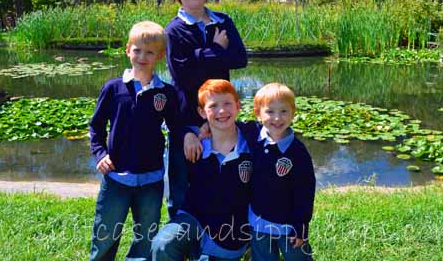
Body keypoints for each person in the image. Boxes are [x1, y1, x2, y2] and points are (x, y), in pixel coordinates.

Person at [88, 21, 179, 261]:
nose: (142, 56)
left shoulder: (166, 93)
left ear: (160, 56)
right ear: (128, 50)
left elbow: (176, 126)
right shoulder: (113, 88)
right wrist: (100, 154)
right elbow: (96, 126)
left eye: (150, 52)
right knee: (105, 232)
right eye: (137, 50)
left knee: (146, 235)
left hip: (151, 178)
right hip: (117, 176)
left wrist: (195, 133)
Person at [164, 0, 248, 218]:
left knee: (221, 181)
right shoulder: (173, 31)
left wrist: (201, 57)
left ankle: (222, 239)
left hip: (219, 116)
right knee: (182, 183)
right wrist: (215, 49)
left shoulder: (223, 21)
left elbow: (240, 59)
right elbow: (184, 76)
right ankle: (180, 241)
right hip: (186, 119)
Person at [151, 79, 252, 261]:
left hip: (233, 228)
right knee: (163, 244)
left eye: (227, 104)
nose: (221, 111)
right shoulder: (196, 147)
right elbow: (172, 127)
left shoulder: (252, 144)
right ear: (202, 112)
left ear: (238, 106)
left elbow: (275, 126)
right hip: (196, 217)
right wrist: (186, 134)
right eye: (213, 106)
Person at [241, 83, 316, 261]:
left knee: (298, 257)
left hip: (289, 225)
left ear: (293, 113)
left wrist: (301, 226)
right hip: (258, 221)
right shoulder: (253, 136)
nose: (277, 118)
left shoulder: (297, 152)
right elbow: (230, 126)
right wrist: (204, 129)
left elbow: (305, 191)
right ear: (257, 113)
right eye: (270, 112)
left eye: (284, 111)